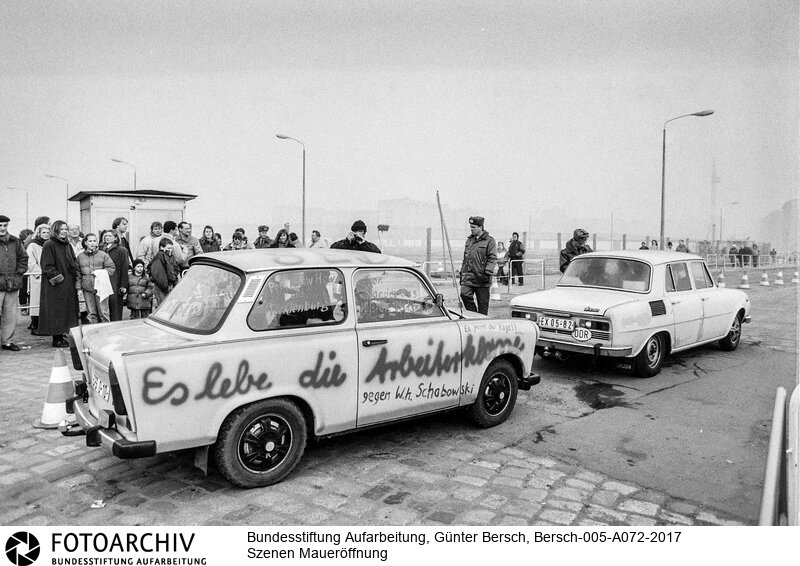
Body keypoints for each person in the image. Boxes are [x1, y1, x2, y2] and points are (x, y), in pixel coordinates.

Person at [38, 220, 80, 348]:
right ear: (55, 230)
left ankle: (63, 335)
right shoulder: (49, 244)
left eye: (66, 229)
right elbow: (47, 265)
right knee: (56, 310)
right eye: (62, 229)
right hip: (55, 285)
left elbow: (73, 261)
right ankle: (56, 338)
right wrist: (59, 279)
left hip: (68, 282)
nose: (65, 231)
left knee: (67, 310)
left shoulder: (67, 244)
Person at [0, 215, 28, 352]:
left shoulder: (15, 242)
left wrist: (19, 274)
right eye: (0, 225)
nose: (2, 228)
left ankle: (7, 341)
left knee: (10, 315)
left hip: (12, 284)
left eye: (5, 225)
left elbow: (23, 258)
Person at [459, 216, 496, 315]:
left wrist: (488, 272)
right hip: (469, 276)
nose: (471, 229)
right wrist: (462, 273)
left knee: (483, 305)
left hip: (482, 277)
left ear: (480, 227)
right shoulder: (469, 240)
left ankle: (482, 322)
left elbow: (492, 258)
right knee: (464, 294)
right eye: (470, 227)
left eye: (474, 227)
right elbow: (465, 257)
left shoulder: (489, 241)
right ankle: (473, 315)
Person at [77, 233, 115, 324]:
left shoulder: (103, 255)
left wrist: (101, 273)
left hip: (101, 288)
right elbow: (77, 273)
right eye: (90, 241)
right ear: (85, 242)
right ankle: (94, 333)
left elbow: (111, 268)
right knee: (91, 313)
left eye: (94, 241)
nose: (92, 243)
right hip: (87, 288)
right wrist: (78, 288)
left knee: (104, 312)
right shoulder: (80, 257)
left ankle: (105, 333)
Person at [101, 230, 130, 322]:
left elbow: (124, 268)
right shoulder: (101, 249)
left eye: (110, 235)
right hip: (103, 282)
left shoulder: (121, 250)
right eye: (105, 236)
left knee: (115, 309)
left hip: (115, 282)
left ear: (116, 238)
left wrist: (123, 285)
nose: (107, 237)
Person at [26, 224, 49, 335]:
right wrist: (39, 273)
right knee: (36, 301)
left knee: (47, 302)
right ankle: (35, 325)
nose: (46, 234)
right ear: (38, 233)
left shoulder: (50, 244)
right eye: (43, 232)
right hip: (38, 277)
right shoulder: (33, 245)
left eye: (47, 232)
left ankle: (45, 325)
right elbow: (30, 261)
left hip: (48, 277)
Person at [149, 237, 179, 306]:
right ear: (161, 247)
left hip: (169, 285)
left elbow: (175, 269)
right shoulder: (160, 255)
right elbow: (158, 274)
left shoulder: (171, 256)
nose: (170, 250)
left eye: (171, 248)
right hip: (163, 287)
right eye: (168, 248)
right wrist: (165, 287)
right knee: (163, 307)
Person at [17, 228, 33, 315]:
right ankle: (23, 306)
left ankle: (28, 306)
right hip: (23, 269)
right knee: (23, 288)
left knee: (29, 288)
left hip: (29, 268)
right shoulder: (20, 245)